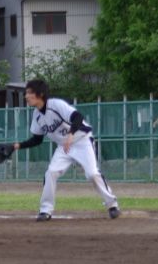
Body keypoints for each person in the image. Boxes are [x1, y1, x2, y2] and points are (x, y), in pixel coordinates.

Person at [12, 79, 119, 222]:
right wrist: (16, 146)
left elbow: (78, 117)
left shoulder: (56, 105)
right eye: (26, 93)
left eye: (30, 93)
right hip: (64, 147)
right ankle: (45, 210)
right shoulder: (36, 115)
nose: (26, 96)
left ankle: (112, 205)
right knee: (51, 173)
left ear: (40, 94)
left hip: (82, 141)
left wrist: (71, 133)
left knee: (92, 173)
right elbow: (37, 139)